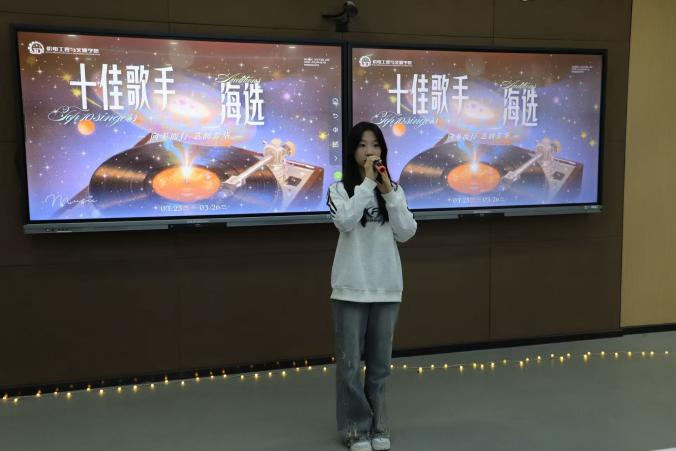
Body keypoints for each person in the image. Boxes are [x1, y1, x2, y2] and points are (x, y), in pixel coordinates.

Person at [327, 121, 417, 451]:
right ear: (353, 151)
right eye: (363, 145)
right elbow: (344, 221)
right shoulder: (339, 189)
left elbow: (406, 231)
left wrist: (388, 191)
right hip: (350, 287)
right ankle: (355, 429)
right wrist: (367, 184)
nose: (370, 151)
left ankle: (379, 425)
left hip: (386, 287)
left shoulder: (395, 189)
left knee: (380, 367)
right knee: (350, 366)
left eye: (375, 145)